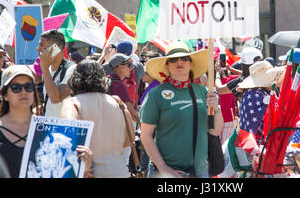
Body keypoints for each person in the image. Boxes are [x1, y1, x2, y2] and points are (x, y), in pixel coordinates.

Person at [0, 65, 93, 178]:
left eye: (28, 87)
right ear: (4, 94)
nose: (23, 92)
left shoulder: (49, 130)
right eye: (16, 88)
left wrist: (83, 168)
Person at [140, 41, 223, 178]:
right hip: (165, 173)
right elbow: (146, 135)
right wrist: (163, 167)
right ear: (167, 65)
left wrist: (216, 108)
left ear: (190, 64)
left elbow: (214, 131)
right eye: (173, 59)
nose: (179, 62)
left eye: (184, 58)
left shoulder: (203, 91)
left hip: (200, 170)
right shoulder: (155, 95)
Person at [61, 60, 134, 178]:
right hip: (120, 172)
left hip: (90, 172)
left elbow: (68, 141)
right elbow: (128, 141)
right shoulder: (118, 103)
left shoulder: (73, 104)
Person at [236, 60, 280, 146]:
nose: (274, 80)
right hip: (257, 145)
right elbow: (275, 113)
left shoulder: (251, 92)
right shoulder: (258, 94)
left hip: (247, 142)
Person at [36, 30, 76, 118]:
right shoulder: (47, 69)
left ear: (56, 47)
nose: (38, 49)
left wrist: (45, 69)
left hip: (63, 128)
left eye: (42, 45)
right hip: (48, 127)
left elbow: (55, 98)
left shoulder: (72, 69)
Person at [105, 53, 139, 122]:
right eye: (129, 65)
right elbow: (132, 113)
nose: (131, 68)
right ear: (120, 67)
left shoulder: (106, 80)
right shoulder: (119, 85)